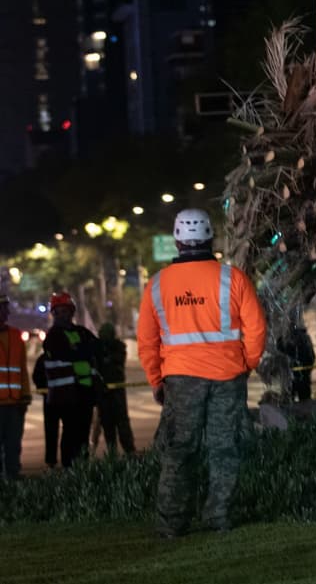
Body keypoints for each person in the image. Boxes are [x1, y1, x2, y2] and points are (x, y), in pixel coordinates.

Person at [137, 208, 267, 538]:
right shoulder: (232, 278)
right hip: (227, 377)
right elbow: (257, 329)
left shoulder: (157, 285)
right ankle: (218, 516)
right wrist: (246, 365)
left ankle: (171, 524)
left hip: (180, 381)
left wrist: (156, 379)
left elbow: (147, 341)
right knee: (225, 449)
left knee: (179, 450)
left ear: (177, 241)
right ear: (211, 237)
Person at [32, 292, 100, 468]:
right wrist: (83, 351)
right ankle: (70, 470)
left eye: (68, 310)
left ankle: (82, 469)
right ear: (54, 313)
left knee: (83, 435)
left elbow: (97, 348)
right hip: (65, 397)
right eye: (61, 311)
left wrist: (80, 351)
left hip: (84, 393)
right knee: (70, 435)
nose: (65, 314)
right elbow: (69, 353)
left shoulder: (82, 332)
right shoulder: (53, 337)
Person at [0, 295, 31, 480]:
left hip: (15, 404)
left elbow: (22, 370)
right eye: (3, 308)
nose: (7, 312)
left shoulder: (15, 336)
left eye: (6, 308)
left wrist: (25, 396)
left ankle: (13, 477)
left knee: (13, 444)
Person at [94, 323, 136, 455]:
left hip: (116, 391)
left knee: (121, 423)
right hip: (104, 391)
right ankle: (114, 452)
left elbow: (116, 361)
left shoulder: (118, 347)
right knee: (108, 424)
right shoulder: (99, 348)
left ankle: (129, 451)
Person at [276, 313, 315, 402]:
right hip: (304, 374)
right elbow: (312, 357)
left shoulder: (284, 340)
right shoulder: (306, 337)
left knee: (288, 401)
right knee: (305, 400)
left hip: (292, 375)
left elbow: (280, 351)